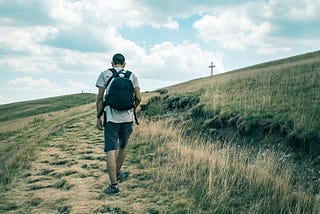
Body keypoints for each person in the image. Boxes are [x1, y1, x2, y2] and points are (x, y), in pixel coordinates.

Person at [95, 53, 141, 195]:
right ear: (124, 64)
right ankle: (118, 173)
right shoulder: (132, 75)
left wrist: (98, 117)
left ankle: (114, 186)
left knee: (110, 150)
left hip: (111, 118)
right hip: (127, 119)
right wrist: (132, 108)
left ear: (112, 63)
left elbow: (100, 98)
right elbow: (138, 97)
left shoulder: (104, 74)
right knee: (122, 147)